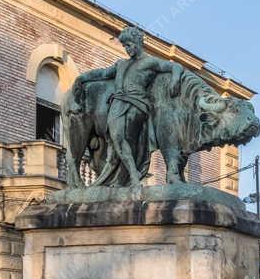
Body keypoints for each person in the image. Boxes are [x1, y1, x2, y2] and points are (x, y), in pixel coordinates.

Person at [72, 26, 182, 185]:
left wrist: (175, 80)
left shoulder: (149, 61)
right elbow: (103, 73)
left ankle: (133, 176)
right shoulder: (121, 64)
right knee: (116, 140)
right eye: (124, 46)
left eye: (129, 45)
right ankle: (125, 176)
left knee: (118, 137)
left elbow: (175, 66)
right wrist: (82, 78)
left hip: (136, 104)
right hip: (117, 104)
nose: (127, 49)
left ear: (138, 42)